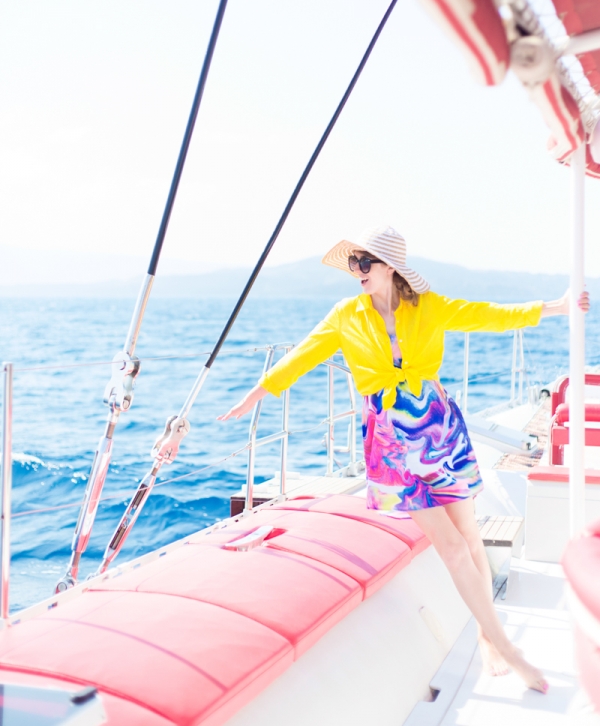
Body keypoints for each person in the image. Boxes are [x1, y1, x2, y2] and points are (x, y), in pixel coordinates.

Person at [218, 225, 590, 694]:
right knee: (451, 547)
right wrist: (255, 395)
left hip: (437, 429)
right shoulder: (344, 315)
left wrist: (555, 307)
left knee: (470, 535)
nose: (357, 272)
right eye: (353, 264)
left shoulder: (429, 307)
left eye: (364, 263)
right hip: (390, 442)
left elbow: (488, 316)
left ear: (390, 267)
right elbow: (303, 356)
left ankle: (486, 635)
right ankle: (507, 648)